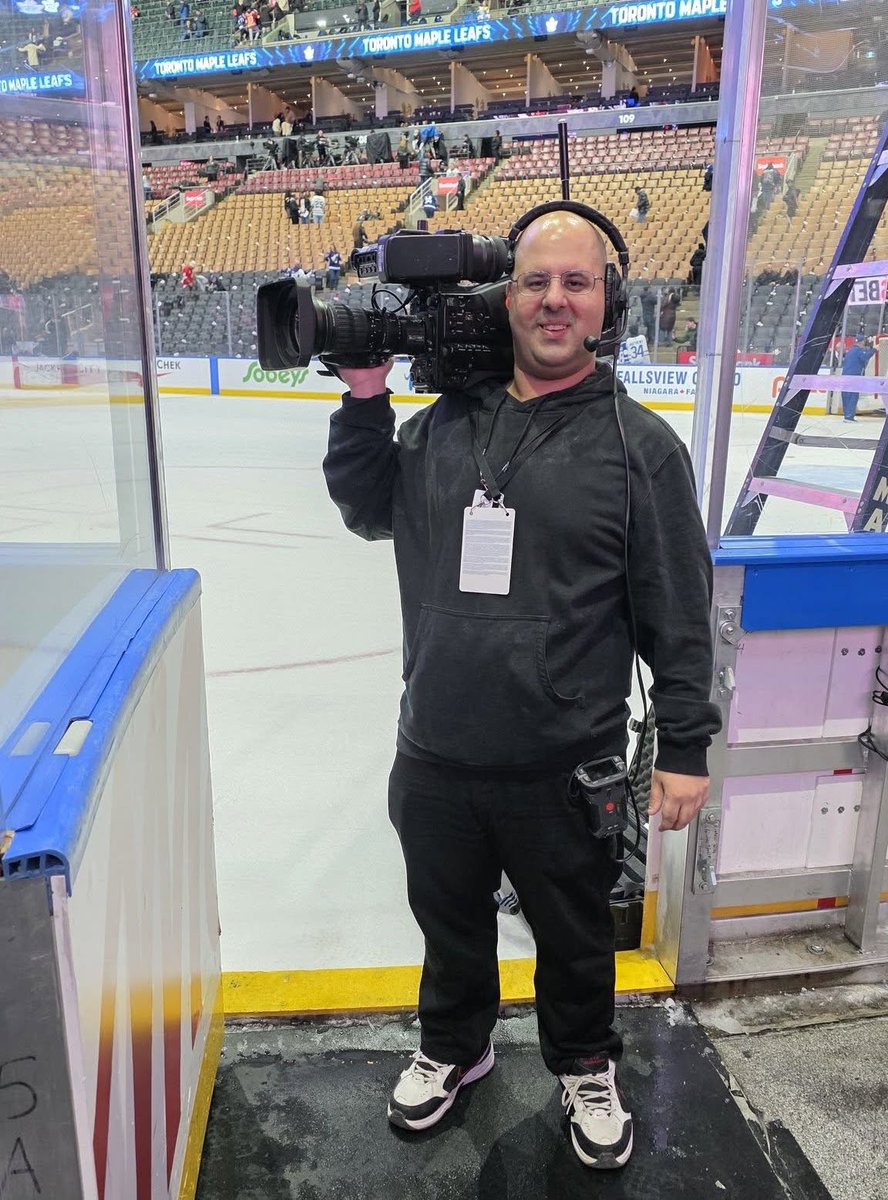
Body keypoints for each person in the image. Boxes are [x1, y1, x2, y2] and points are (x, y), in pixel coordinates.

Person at [322, 207, 719, 1169]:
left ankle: (585, 1061)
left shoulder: (640, 450)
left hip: (565, 762)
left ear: (605, 303)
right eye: (536, 282)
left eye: (575, 284)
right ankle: (455, 1047)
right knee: (446, 919)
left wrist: (686, 749)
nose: (553, 300)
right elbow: (365, 510)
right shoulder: (440, 429)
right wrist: (366, 398)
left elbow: (678, 607)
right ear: (507, 298)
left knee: (574, 935)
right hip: (438, 748)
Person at [840, 334, 876, 422]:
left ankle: (846, 415)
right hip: (854, 377)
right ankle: (849, 416)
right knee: (853, 396)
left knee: (846, 396)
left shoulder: (851, 351)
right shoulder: (859, 351)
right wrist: (874, 349)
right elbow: (865, 357)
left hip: (846, 376)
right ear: (862, 342)